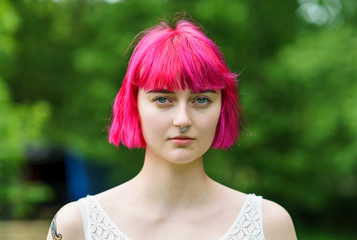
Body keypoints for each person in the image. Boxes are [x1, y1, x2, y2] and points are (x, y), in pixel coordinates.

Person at [46, 17, 297, 240]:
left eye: (201, 100)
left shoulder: (268, 226)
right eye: (163, 99)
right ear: (134, 105)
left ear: (222, 107)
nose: (183, 120)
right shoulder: (77, 227)